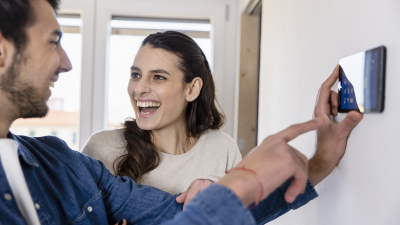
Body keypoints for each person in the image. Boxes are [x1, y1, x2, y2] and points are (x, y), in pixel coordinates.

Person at [0, 0, 363, 224]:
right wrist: (242, 182)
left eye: (158, 77)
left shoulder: (59, 162)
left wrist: (324, 156)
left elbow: (179, 216)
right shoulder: (97, 150)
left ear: (193, 89)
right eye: (53, 42)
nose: (66, 63)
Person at [82, 31, 241, 204]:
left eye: (158, 77)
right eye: (136, 75)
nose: (139, 89)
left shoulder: (223, 150)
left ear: (192, 89)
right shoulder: (101, 148)